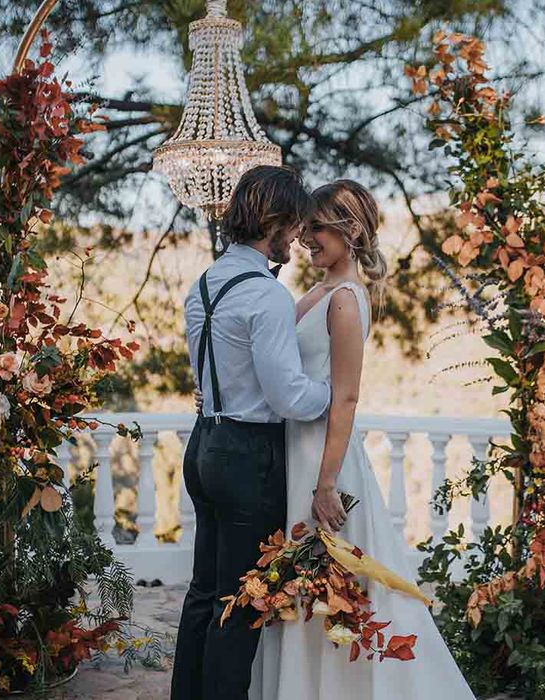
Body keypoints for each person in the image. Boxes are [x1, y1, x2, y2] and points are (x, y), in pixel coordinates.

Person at [247, 180, 477, 699]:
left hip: (322, 462)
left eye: (317, 227)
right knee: (298, 586)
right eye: (304, 227)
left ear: (350, 230)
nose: (305, 237)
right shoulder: (316, 291)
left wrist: (326, 484)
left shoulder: (347, 300)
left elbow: (346, 398)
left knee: (334, 586)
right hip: (291, 452)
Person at [170, 165, 331, 700]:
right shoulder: (266, 296)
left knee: (203, 593)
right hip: (246, 454)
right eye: (295, 226)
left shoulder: (205, 284)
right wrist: (333, 392)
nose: (298, 237)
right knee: (240, 601)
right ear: (277, 223)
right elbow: (288, 397)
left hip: (203, 446)